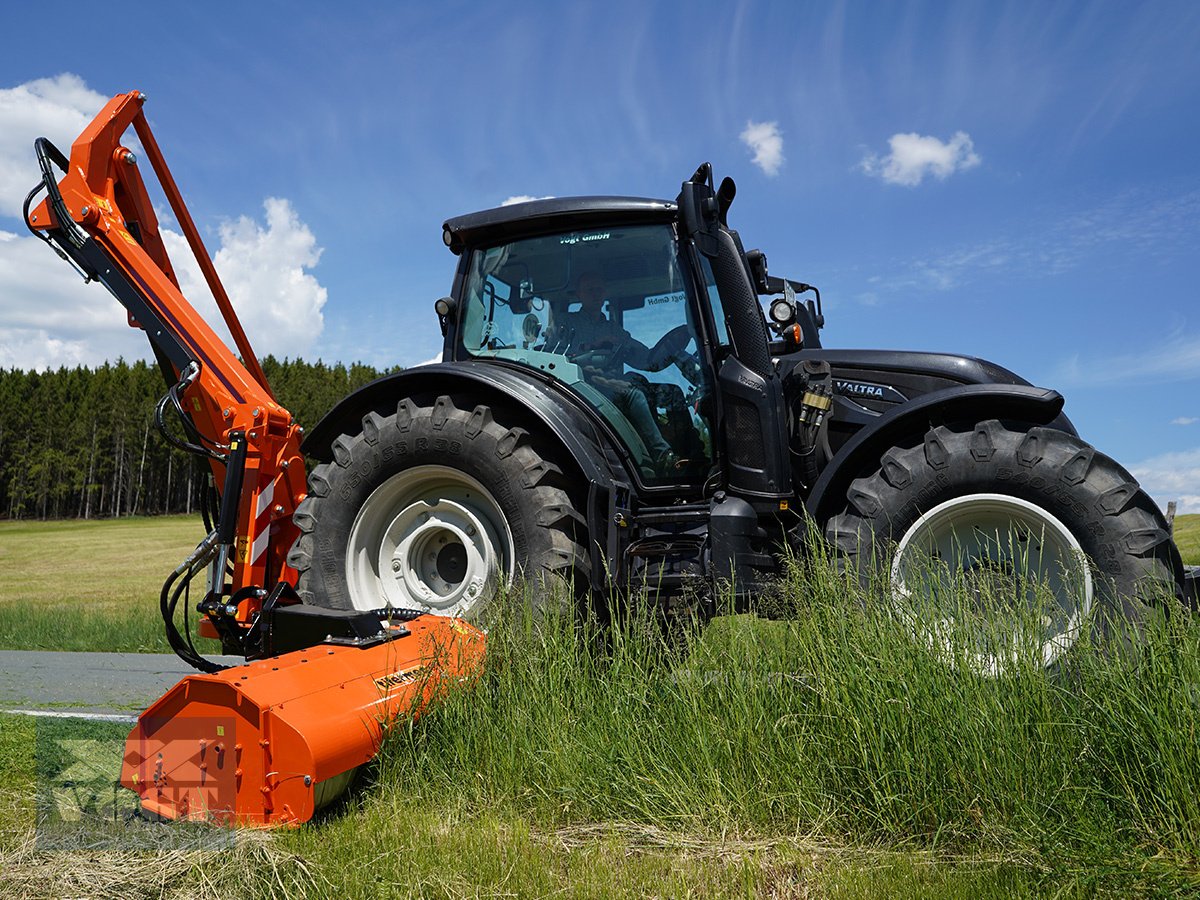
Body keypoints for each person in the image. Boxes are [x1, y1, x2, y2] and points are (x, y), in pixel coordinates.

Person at [547, 271, 677, 472]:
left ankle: (689, 455)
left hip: (612, 387)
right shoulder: (565, 323)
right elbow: (551, 357)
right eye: (589, 289)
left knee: (671, 392)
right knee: (634, 393)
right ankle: (662, 455)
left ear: (605, 293)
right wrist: (592, 346)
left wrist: (670, 352)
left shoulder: (614, 329)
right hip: (579, 388)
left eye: (599, 289)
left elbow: (645, 359)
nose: (595, 293)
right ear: (579, 294)